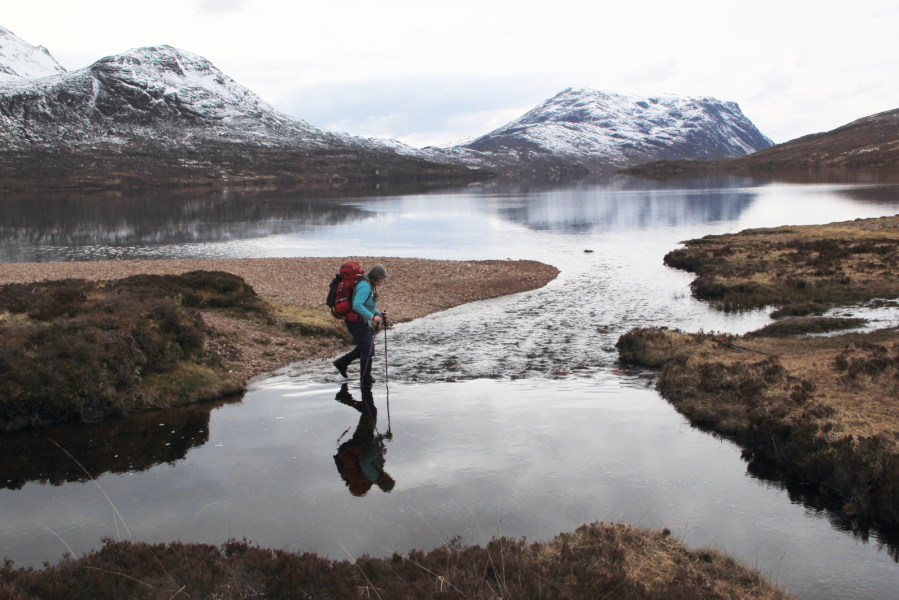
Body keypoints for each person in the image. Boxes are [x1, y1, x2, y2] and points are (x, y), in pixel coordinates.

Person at [333, 384, 395, 497]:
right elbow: (377, 450)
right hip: (365, 441)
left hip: (361, 442)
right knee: (370, 411)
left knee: (370, 411)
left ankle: (348, 395)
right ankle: (352, 395)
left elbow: (364, 461)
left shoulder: (373, 475)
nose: (389, 475)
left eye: (389, 478)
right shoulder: (378, 472)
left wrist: (376, 452)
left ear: (385, 480)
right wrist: (383, 438)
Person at [332, 265, 388, 389]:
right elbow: (357, 305)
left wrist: (378, 314)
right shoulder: (364, 286)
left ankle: (342, 363)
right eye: (382, 278)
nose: (383, 281)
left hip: (361, 321)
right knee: (367, 351)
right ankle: (365, 379)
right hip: (356, 322)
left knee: (367, 349)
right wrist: (372, 317)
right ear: (377, 277)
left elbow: (367, 306)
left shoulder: (368, 284)